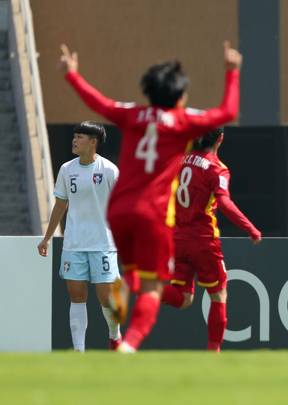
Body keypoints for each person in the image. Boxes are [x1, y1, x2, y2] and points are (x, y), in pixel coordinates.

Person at [59, 41, 242, 352]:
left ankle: (117, 316)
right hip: (152, 216)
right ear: (180, 96)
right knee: (152, 289)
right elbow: (228, 111)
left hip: (117, 212)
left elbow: (99, 103)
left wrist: (72, 75)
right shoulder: (183, 123)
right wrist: (232, 72)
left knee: (131, 279)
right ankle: (127, 345)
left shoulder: (132, 114)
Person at [160, 128, 262, 351]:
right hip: (203, 239)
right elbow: (224, 203)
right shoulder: (217, 168)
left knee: (184, 298)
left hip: (177, 238)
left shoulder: (179, 160)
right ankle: (213, 353)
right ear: (221, 139)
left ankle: (147, 290)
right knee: (219, 294)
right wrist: (251, 228)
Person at [37, 121, 121, 351]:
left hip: (103, 243)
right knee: (77, 295)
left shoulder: (109, 170)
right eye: (74, 136)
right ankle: (78, 350)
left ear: (93, 142)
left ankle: (115, 335)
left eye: (80, 137)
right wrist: (46, 237)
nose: (74, 140)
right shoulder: (67, 169)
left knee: (106, 297)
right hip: (73, 243)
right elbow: (60, 205)